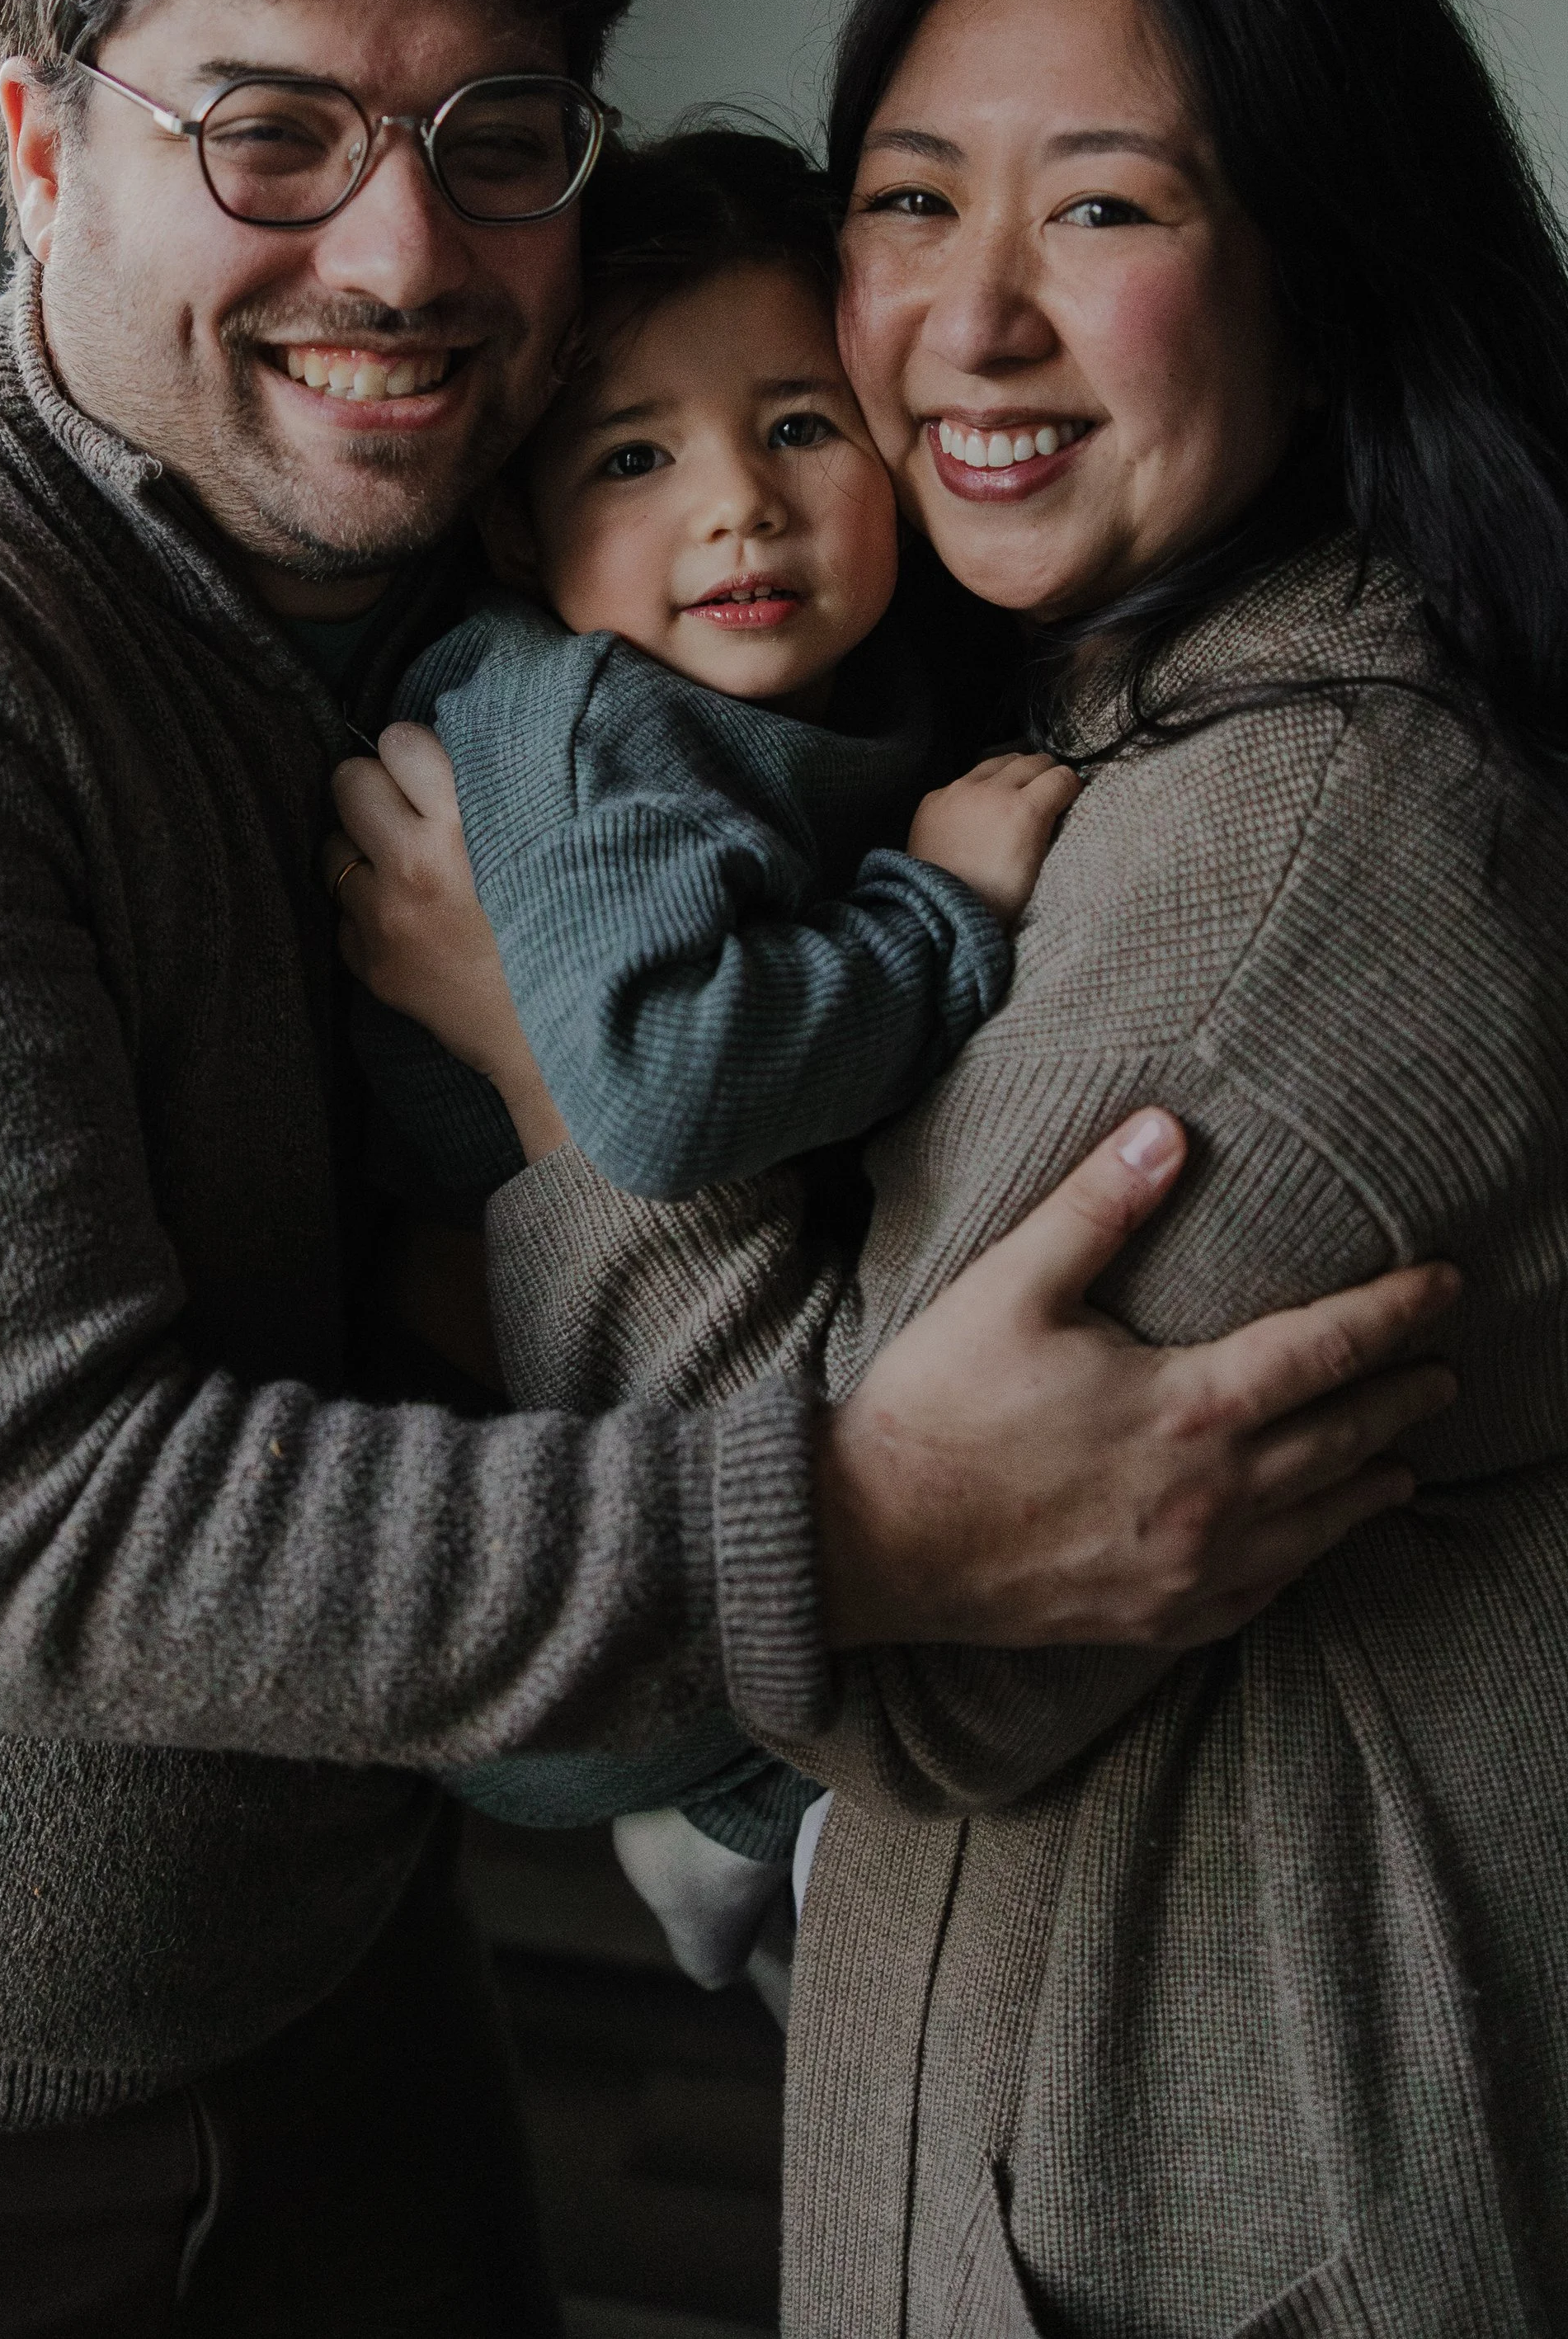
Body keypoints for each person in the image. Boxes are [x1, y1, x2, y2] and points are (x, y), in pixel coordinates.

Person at [0, 0, 1454, 2338]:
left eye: (495, 138)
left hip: (360, 2026)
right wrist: (879, 1518)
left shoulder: (523, 574)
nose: (398, 256)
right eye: (270, 132)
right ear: (32, 126)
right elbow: (38, 1541)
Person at [337, 0, 1568, 2333]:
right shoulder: (1097, 702)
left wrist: (535, 1061)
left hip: (1258, 2221)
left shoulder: (1287, 880)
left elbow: (889, 1639)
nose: (965, 318)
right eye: (913, 200)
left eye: (1102, 209)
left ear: (1320, 265)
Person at [356, 123, 1077, 1992]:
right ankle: (727, 1828)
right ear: (515, 522)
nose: (736, 509)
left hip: (658, 1444)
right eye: (633, 459)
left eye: (798, 427)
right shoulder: (596, 726)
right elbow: (667, 1090)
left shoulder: (852, 678)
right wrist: (934, 914)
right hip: (540, 1598)